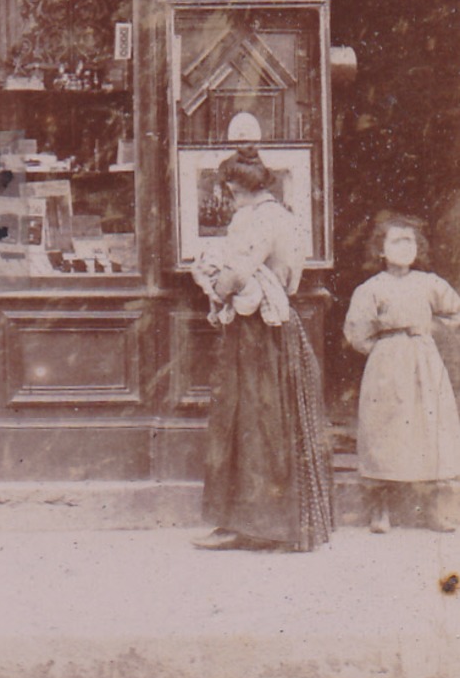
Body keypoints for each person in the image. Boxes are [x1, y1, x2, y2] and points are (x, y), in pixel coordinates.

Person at [190, 145, 334, 552]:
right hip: (264, 328)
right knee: (252, 418)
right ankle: (247, 521)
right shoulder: (279, 217)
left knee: (256, 419)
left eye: (230, 186)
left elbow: (237, 274)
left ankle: (259, 524)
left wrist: (214, 285)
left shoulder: (260, 220)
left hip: (259, 330)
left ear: (237, 185)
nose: (229, 192)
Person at [342, 215, 460, 533]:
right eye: (396, 241)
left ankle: (434, 508)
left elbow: (454, 311)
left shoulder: (429, 283)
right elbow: (357, 332)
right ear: (380, 249)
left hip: (424, 359)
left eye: (410, 241)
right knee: (385, 427)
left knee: (428, 426)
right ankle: (380, 508)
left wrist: (430, 329)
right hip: (387, 362)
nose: (404, 248)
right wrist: (386, 349)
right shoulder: (371, 289)